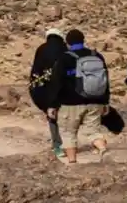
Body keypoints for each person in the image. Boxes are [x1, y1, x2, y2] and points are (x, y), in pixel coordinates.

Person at [44, 29, 110, 164]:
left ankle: (73, 163)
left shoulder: (64, 58)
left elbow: (57, 83)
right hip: (95, 101)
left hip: (70, 103)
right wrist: (105, 101)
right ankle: (103, 149)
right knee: (93, 132)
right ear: (83, 40)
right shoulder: (97, 56)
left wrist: (52, 104)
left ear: (67, 43)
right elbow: (105, 80)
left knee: (68, 133)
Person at [29, 28, 68, 158]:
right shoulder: (65, 49)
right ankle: (71, 144)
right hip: (63, 89)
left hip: (44, 88)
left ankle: (57, 145)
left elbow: (36, 71)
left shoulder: (41, 49)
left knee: (52, 115)